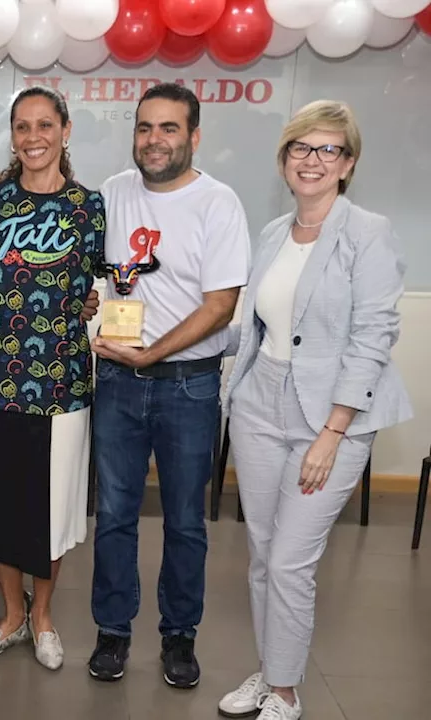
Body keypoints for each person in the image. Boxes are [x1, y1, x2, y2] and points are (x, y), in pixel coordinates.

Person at [217, 101, 412, 720]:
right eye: (302, 148)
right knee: (262, 555)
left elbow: (374, 334)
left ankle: (286, 692)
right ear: (284, 158)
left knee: (292, 560)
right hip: (259, 405)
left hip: (332, 417)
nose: (312, 160)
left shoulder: (367, 232)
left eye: (329, 150)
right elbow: (256, 326)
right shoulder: (274, 233)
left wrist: (333, 431)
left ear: (348, 164)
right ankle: (270, 669)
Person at [86, 83, 251, 688]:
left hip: (188, 385)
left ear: (194, 136)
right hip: (118, 386)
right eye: (145, 128)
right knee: (114, 516)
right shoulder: (112, 193)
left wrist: (152, 352)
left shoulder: (218, 203)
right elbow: (91, 272)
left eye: (169, 128)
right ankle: (113, 630)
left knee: (184, 520)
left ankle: (179, 637)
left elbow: (220, 305)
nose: (154, 140)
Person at [0, 86, 104, 671]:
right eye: (22, 127)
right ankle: (11, 617)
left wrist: (94, 302)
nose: (33, 137)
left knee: (51, 507)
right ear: (12, 136)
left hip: (61, 382)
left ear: (66, 131)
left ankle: (43, 618)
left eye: (45, 125)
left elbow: (109, 283)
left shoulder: (90, 207)